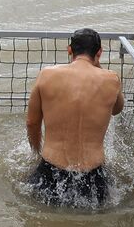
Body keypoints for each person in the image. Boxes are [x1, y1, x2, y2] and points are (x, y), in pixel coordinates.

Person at [24, 28, 126, 207]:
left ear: (69, 50)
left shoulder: (46, 75)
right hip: (94, 176)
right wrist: (98, 67)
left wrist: (35, 153)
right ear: (99, 53)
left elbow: (32, 123)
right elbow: (117, 109)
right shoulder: (112, 80)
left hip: (51, 171)